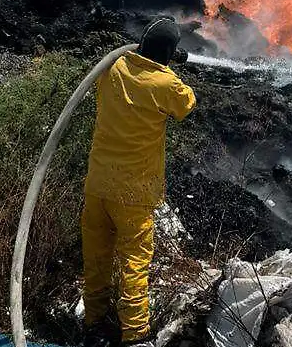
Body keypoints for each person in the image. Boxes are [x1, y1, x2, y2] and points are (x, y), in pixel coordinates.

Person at [82, 18, 196, 346]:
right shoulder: (167, 84)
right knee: (134, 261)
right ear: (169, 53)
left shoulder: (111, 69)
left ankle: (93, 322)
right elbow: (186, 104)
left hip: (98, 184)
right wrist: (170, 66)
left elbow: (125, 67)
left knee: (96, 256)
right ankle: (134, 335)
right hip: (133, 192)